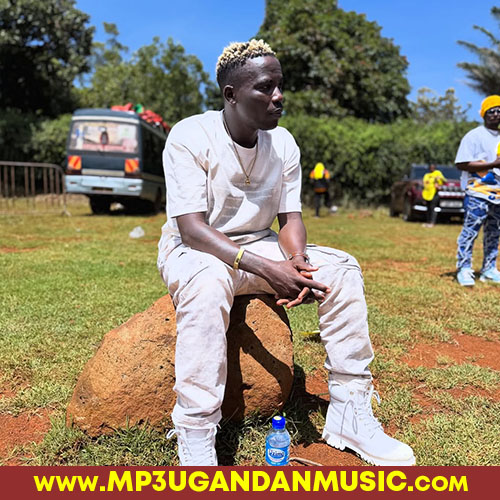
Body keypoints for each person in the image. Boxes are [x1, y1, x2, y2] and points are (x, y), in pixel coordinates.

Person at [157, 39, 415, 467]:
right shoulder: (190, 135)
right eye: (265, 87)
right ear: (231, 94)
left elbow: (290, 218)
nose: (278, 97)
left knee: (342, 269)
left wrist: (296, 261)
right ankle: (196, 432)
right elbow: (192, 229)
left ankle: (350, 411)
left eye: (280, 85)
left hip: (260, 245)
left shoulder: (283, 143)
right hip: (196, 251)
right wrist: (267, 269)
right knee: (208, 280)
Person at [455, 95, 500, 286]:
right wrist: (492, 164)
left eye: (499, 111)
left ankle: (489, 269)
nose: (496, 114)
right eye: (491, 111)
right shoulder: (474, 135)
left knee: (494, 232)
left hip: (498, 194)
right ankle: (464, 268)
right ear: (483, 114)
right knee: (471, 230)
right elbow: (461, 163)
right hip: (477, 192)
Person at [422, 164, 446, 228]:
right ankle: (428, 222)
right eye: (431, 167)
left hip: (434, 194)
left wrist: (439, 180)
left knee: (433, 208)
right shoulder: (427, 175)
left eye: (433, 167)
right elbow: (425, 183)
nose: (432, 168)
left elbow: (444, 181)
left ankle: (432, 222)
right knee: (428, 209)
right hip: (427, 194)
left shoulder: (438, 173)